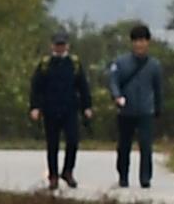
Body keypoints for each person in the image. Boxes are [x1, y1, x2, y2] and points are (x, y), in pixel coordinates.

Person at [105, 23, 165, 192]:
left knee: (146, 145)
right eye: (137, 41)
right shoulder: (121, 62)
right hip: (126, 111)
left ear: (148, 42)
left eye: (143, 40)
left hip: (146, 110)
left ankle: (145, 178)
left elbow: (158, 88)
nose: (140, 44)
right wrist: (117, 97)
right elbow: (113, 81)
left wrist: (158, 108)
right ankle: (123, 176)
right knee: (124, 145)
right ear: (132, 43)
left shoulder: (154, 65)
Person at [27, 33, 90, 193]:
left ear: (67, 46)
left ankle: (68, 171)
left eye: (62, 44)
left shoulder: (74, 64)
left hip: (70, 109)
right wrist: (35, 107)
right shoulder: (45, 64)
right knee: (52, 144)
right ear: (52, 45)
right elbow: (36, 87)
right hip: (50, 109)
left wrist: (87, 107)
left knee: (73, 141)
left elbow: (83, 87)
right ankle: (53, 176)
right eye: (57, 44)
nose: (60, 47)